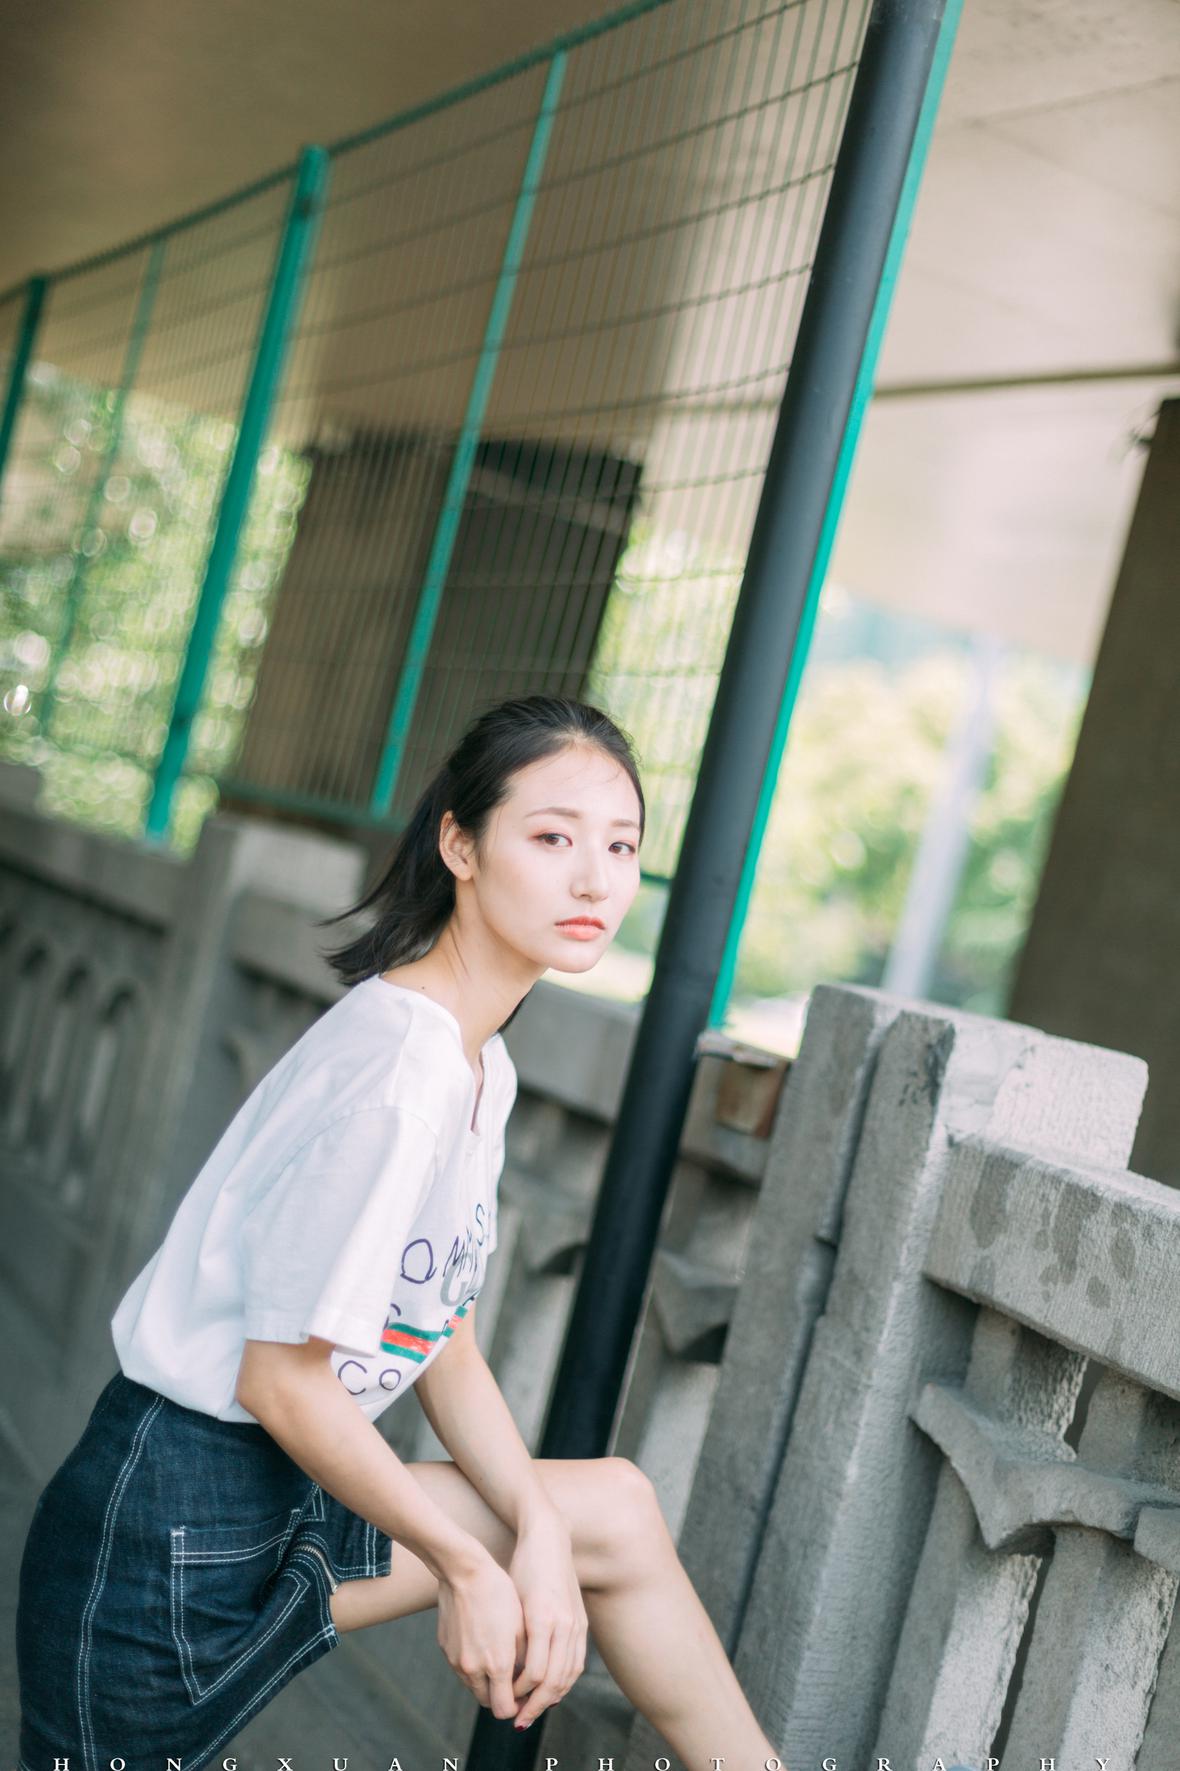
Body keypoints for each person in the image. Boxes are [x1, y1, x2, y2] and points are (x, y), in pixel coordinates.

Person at [16, 693, 786, 1771]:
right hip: (167, 1533)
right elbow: (281, 1380)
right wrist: (468, 1564)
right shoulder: (398, 1074)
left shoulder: (478, 1063)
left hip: (285, 1495)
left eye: (621, 846)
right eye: (552, 838)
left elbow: (441, 1338)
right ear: (460, 845)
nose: (593, 881)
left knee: (609, 1510)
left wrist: (538, 1528)